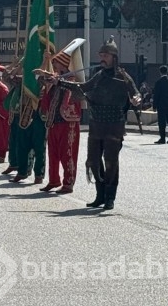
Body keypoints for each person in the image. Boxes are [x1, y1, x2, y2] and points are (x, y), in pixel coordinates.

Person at [54, 36, 140, 210]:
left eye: (106, 55)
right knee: (93, 161)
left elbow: (135, 93)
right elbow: (83, 88)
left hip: (114, 124)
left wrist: (137, 99)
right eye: (101, 55)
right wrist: (60, 82)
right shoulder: (99, 75)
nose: (102, 58)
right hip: (96, 123)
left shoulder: (123, 76)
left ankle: (110, 197)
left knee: (110, 162)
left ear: (114, 57)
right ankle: (100, 195)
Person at [36, 39, 84, 194]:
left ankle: (68, 182)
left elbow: (73, 98)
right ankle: (53, 180)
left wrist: (56, 80)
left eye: (56, 63)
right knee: (53, 153)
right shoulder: (55, 79)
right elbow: (42, 82)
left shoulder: (72, 81)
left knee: (68, 153)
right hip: (54, 122)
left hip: (67, 122)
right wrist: (45, 66)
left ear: (64, 66)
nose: (54, 66)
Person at [152, 65, 168, 144]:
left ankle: (162, 138)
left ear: (160, 72)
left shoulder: (158, 82)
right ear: (167, 71)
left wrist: (154, 106)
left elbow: (156, 95)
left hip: (161, 105)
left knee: (162, 122)